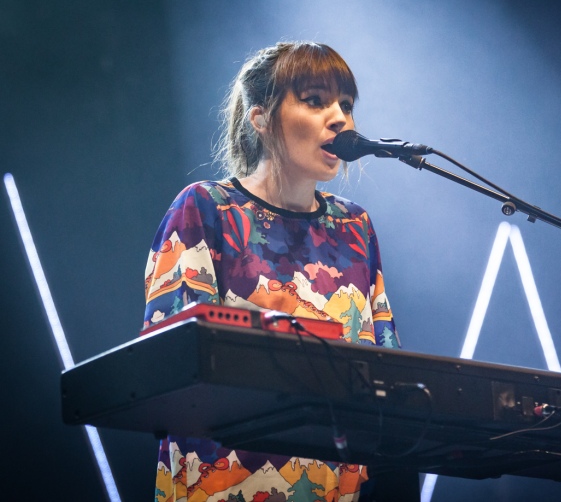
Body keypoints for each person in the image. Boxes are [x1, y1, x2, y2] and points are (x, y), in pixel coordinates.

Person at [143, 41, 418, 501]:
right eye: (315, 100)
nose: (340, 119)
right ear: (260, 117)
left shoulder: (355, 226)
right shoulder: (206, 209)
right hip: (225, 484)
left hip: (335, 487)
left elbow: (384, 364)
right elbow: (172, 367)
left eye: (346, 105)